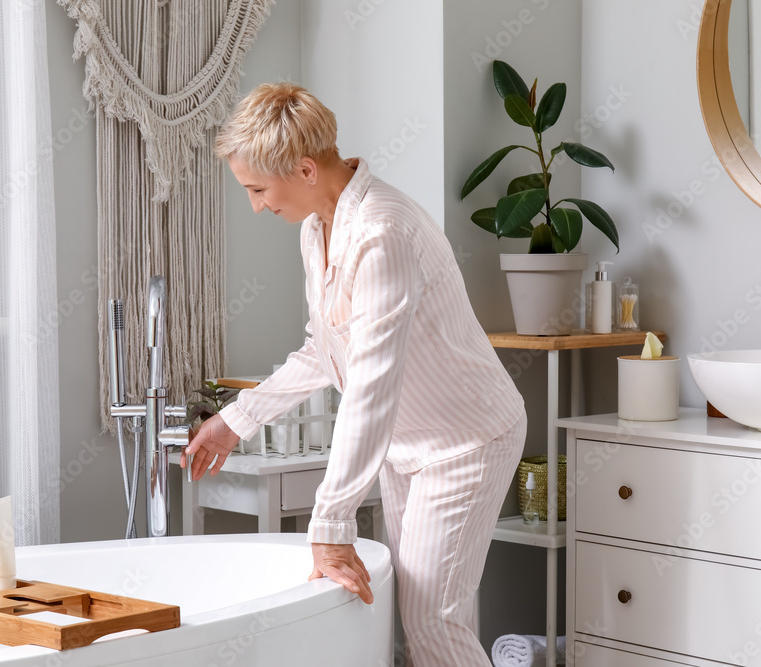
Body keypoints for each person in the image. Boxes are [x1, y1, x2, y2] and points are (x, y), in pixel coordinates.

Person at [183, 82, 527, 666]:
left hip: (467, 440)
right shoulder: (316, 229)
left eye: (259, 189)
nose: (257, 205)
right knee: (436, 613)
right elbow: (326, 349)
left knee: (431, 619)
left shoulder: (382, 232)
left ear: (305, 168)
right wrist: (234, 421)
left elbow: (370, 387)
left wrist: (332, 519)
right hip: (409, 447)